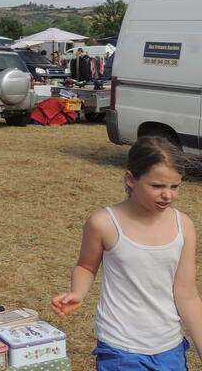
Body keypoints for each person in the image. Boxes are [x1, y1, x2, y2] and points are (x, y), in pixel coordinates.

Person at [51, 136, 202, 369]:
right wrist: (78, 292)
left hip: (169, 345)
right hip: (120, 346)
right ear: (131, 179)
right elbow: (86, 266)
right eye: (157, 186)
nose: (168, 195)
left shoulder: (184, 225)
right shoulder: (104, 223)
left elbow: (187, 294)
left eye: (175, 186)